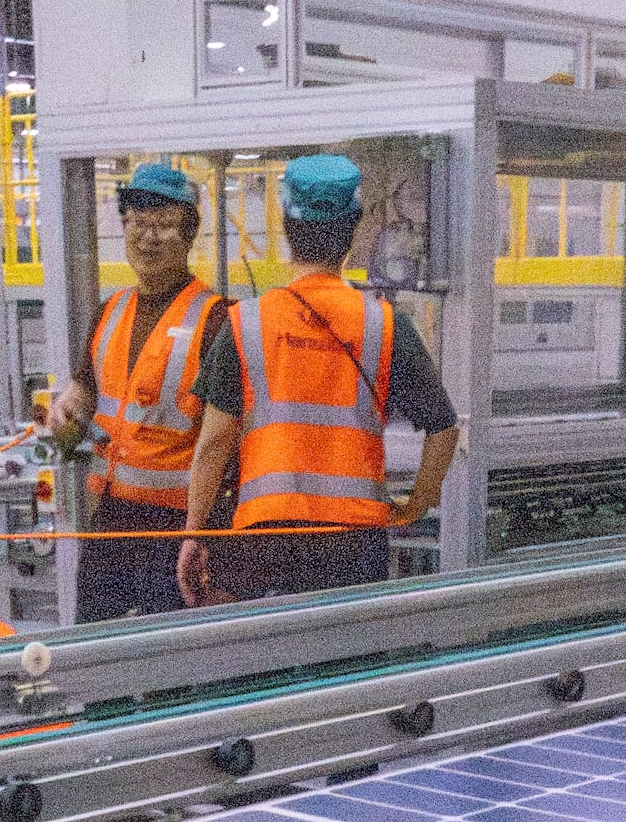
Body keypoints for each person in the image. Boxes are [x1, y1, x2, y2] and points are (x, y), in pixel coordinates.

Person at [175, 153, 461, 606]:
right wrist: (417, 502)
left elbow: (213, 445)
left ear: (286, 225)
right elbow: (443, 427)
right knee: (348, 667)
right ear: (354, 227)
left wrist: (194, 533)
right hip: (355, 539)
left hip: (265, 535)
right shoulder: (383, 325)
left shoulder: (246, 323)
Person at [49, 162, 225, 621]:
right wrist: (65, 415)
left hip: (175, 528)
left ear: (188, 236)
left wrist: (199, 531)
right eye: (138, 223)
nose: (148, 237)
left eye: (165, 225)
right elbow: (85, 391)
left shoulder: (216, 319)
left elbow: (224, 437)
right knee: (97, 659)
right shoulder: (110, 310)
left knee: (173, 665)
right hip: (107, 519)